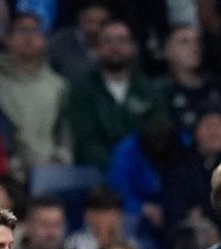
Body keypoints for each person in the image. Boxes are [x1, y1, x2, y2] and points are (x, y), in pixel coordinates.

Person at [67, 19, 167, 173]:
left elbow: (160, 132)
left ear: (133, 47)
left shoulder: (149, 89)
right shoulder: (82, 90)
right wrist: (116, 167)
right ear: (97, 48)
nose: (115, 47)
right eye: (108, 41)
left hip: (146, 171)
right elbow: (85, 141)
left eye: (122, 40)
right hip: (98, 173)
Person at [0, 13, 71, 173]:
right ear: (7, 39)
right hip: (6, 171)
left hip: (50, 170)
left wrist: (60, 160)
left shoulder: (58, 85)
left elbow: (65, 132)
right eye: (21, 31)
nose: (29, 37)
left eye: (35, 31)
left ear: (45, 40)